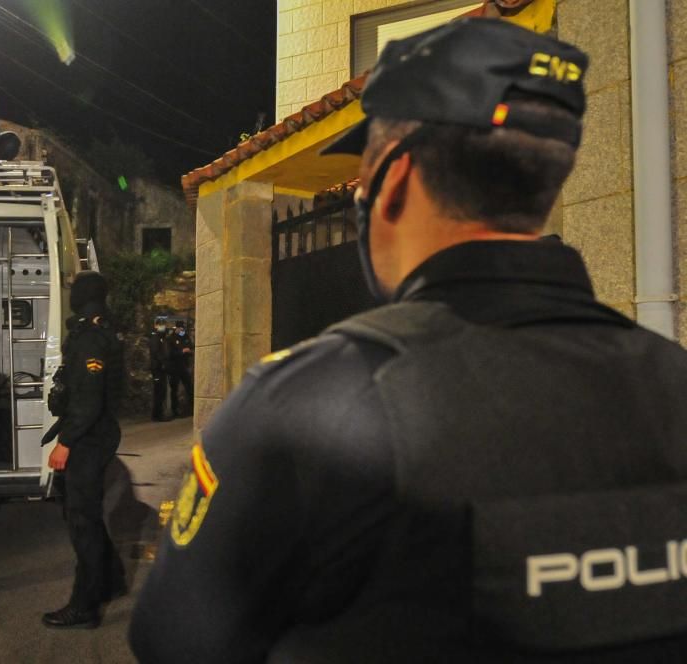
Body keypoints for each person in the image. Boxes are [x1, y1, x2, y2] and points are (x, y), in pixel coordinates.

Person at [129, 18, 687, 662]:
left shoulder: (311, 406)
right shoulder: (670, 380)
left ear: (393, 177)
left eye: (361, 172)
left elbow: (173, 640)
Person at [43, 271, 126, 629]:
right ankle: (111, 581)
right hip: (94, 434)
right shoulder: (96, 330)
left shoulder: (90, 338)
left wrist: (66, 442)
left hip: (88, 438)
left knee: (82, 522)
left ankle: (85, 606)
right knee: (86, 516)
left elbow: (89, 400)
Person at [165, 320, 193, 418]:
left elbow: (190, 346)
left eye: (183, 329)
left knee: (189, 387)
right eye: (180, 329)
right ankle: (175, 411)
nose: (182, 330)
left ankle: (192, 408)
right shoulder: (170, 339)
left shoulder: (184, 336)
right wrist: (182, 351)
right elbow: (169, 354)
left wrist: (188, 351)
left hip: (184, 366)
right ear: (176, 328)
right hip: (174, 367)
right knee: (174, 389)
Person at [147, 317, 171, 421]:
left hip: (160, 367)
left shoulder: (160, 337)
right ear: (155, 326)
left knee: (161, 391)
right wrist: (162, 363)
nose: (162, 326)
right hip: (157, 368)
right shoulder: (155, 338)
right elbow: (156, 353)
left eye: (163, 324)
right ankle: (157, 415)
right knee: (159, 391)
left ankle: (158, 414)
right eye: (160, 324)